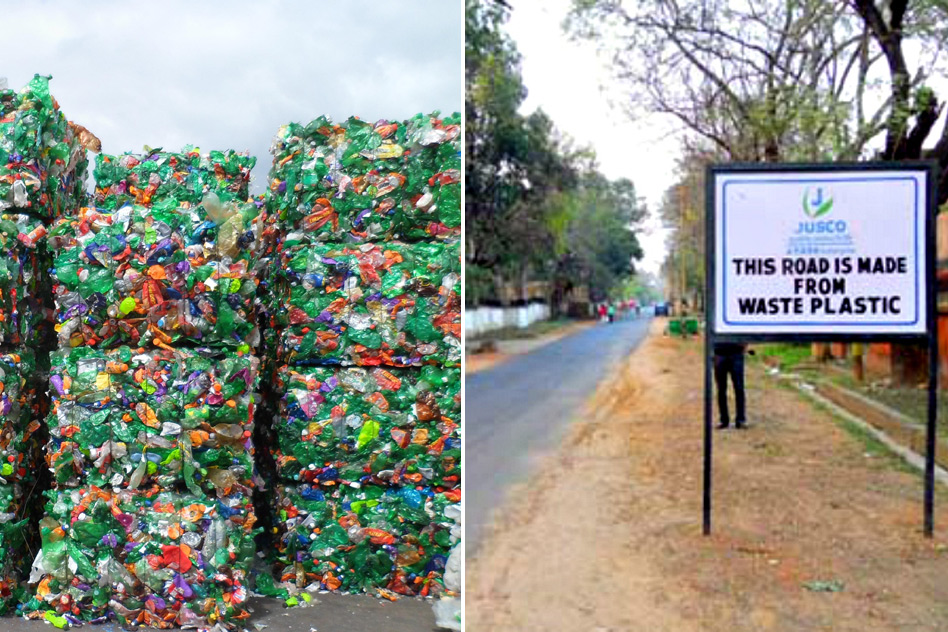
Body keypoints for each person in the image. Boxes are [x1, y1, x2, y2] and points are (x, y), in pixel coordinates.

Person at [713, 342, 747, 429]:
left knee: (739, 388)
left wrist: (744, 344)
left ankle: (740, 420)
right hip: (719, 353)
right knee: (721, 389)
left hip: (736, 353)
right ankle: (723, 420)